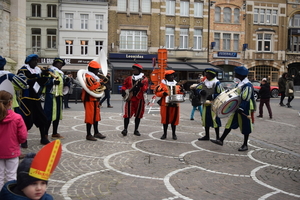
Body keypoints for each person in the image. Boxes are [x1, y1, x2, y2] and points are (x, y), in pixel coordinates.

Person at [210, 66, 256, 151]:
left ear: (240, 75)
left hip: (244, 108)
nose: (234, 75)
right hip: (237, 107)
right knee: (230, 123)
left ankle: (245, 145)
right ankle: (221, 140)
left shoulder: (247, 85)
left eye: (236, 74)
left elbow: (246, 98)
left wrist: (242, 108)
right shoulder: (240, 84)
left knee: (245, 126)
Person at [17, 54, 50, 145]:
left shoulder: (38, 70)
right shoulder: (23, 70)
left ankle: (43, 137)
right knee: (26, 119)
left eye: (36, 60)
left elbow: (42, 83)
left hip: (36, 98)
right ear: (29, 61)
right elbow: (26, 80)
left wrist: (45, 77)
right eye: (34, 60)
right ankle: (24, 140)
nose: (36, 62)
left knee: (42, 118)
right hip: (26, 98)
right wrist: (38, 77)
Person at [0, 90, 27, 190]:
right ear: (10, 103)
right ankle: (10, 195)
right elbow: (23, 136)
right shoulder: (17, 117)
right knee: (12, 176)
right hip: (12, 150)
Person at [154, 70, 184, 140]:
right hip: (165, 105)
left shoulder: (177, 85)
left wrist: (182, 92)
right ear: (166, 76)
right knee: (165, 119)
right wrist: (162, 94)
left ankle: (174, 134)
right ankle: (164, 134)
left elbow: (180, 93)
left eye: (173, 75)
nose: (172, 76)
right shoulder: (162, 85)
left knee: (174, 119)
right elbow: (156, 92)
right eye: (170, 75)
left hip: (175, 104)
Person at [121, 64, 149, 136]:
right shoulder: (129, 78)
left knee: (138, 115)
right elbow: (124, 85)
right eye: (133, 69)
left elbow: (145, 89)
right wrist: (123, 91)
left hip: (139, 99)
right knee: (127, 114)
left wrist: (141, 86)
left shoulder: (144, 79)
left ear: (139, 70)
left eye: (135, 69)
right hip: (130, 99)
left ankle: (136, 130)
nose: (133, 71)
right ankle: (125, 129)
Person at [81, 60, 106, 141]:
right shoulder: (88, 77)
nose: (98, 71)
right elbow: (91, 87)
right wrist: (100, 83)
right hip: (89, 99)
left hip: (95, 99)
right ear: (92, 70)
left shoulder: (94, 77)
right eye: (97, 70)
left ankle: (96, 132)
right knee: (90, 116)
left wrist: (101, 82)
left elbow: (96, 84)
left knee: (96, 116)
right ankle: (88, 134)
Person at [196, 68, 224, 141]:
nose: (206, 75)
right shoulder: (204, 82)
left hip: (214, 105)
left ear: (212, 75)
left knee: (215, 120)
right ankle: (207, 135)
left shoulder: (217, 83)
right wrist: (201, 91)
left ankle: (217, 137)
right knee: (205, 120)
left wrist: (212, 96)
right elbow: (197, 88)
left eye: (207, 74)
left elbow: (221, 93)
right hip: (206, 104)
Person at [43, 58, 67, 139]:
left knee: (57, 115)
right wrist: (52, 82)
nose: (61, 66)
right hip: (51, 95)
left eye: (61, 65)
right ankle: (45, 133)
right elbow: (44, 81)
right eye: (59, 64)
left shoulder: (61, 73)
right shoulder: (50, 71)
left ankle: (55, 132)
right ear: (55, 63)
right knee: (49, 115)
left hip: (59, 95)